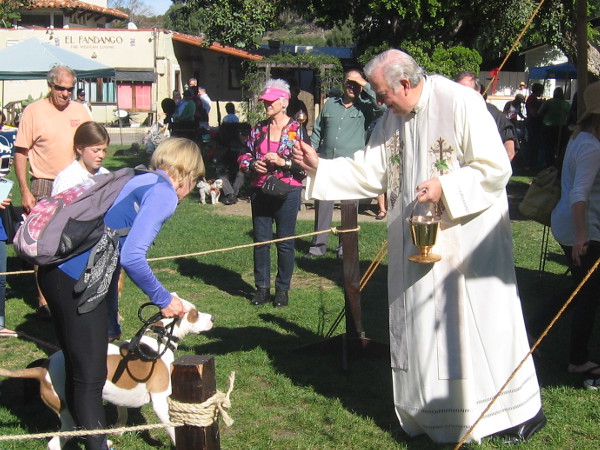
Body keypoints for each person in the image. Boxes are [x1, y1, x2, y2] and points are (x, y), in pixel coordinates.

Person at [293, 49, 545, 444]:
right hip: (415, 244)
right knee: (422, 326)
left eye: (382, 94)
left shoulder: (461, 102)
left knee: (486, 328)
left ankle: (520, 411)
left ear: (405, 83)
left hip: (469, 243)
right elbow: (370, 170)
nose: (379, 103)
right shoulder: (391, 117)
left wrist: (446, 186)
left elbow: (496, 168)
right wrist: (320, 167)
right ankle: (430, 415)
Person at [37, 137, 205, 450]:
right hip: (76, 279)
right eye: (194, 181)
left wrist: (110, 311)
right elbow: (132, 257)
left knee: (80, 365)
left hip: (58, 274)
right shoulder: (164, 193)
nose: (190, 190)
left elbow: (113, 247)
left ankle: (76, 438)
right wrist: (163, 298)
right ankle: (96, 445)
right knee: (90, 375)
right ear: (188, 174)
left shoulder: (139, 177)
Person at [14, 65, 91, 320]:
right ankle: (44, 299)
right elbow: (21, 152)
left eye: (70, 89)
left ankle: (77, 292)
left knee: (78, 240)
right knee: (42, 244)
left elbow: (92, 142)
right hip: (44, 183)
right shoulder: (33, 111)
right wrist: (25, 190)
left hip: (76, 183)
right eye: (60, 88)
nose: (66, 94)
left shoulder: (79, 111)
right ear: (50, 86)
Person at [238, 79, 307, 307]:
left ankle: (282, 290)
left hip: (288, 190)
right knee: (261, 241)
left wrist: (283, 162)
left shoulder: (297, 130)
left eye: (270, 101)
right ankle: (262, 289)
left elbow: (305, 166)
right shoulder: (259, 129)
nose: (266, 105)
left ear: (284, 102)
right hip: (260, 190)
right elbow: (244, 155)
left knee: (285, 242)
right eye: (265, 101)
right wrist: (252, 164)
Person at [305, 69, 385, 258]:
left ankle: (345, 248)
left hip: (350, 167)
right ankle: (317, 248)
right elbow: (318, 129)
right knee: (322, 206)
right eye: (349, 82)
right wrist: (312, 150)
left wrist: (364, 84)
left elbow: (383, 108)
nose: (352, 86)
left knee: (349, 209)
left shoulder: (366, 107)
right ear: (342, 83)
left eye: (356, 84)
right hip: (326, 163)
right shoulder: (330, 104)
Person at [551, 81, 600, 379]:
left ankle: (533, 329)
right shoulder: (592, 146)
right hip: (583, 230)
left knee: (581, 289)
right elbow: (579, 194)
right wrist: (582, 237)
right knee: (587, 296)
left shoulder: (579, 137)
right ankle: (578, 360)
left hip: (572, 225)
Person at [455, 71, 518, 161]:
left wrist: (507, 155)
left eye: (466, 90)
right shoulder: (450, 111)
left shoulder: (491, 112)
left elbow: (507, 137)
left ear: (477, 91)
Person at [539, 87, 571, 168]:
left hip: (548, 127)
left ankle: (549, 164)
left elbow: (539, 112)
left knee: (548, 147)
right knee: (560, 147)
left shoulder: (549, 102)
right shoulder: (566, 104)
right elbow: (569, 115)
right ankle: (558, 164)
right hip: (561, 126)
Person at [525, 83, 545, 170]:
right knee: (532, 144)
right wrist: (542, 108)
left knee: (534, 144)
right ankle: (530, 163)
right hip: (532, 124)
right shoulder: (532, 99)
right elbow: (534, 113)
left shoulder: (533, 98)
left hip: (533, 124)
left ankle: (532, 163)